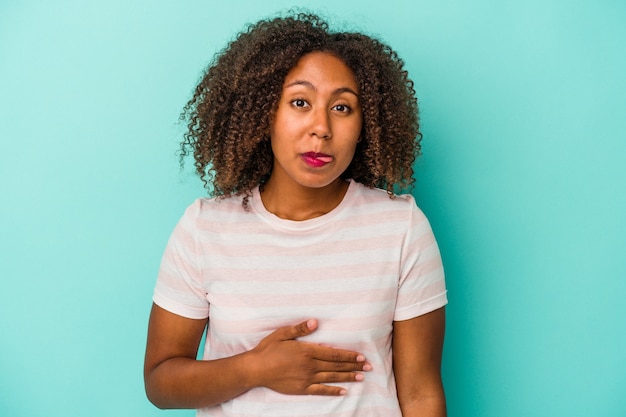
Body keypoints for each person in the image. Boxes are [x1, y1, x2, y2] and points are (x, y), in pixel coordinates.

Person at [144, 11, 448, 417]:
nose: (321, 127)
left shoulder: (401, 228)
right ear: (262, 112)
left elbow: (421, 394)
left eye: (342, 108)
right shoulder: (204, 229)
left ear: (365, 125)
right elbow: (161, 383)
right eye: (300, 102)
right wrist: (253, 368)